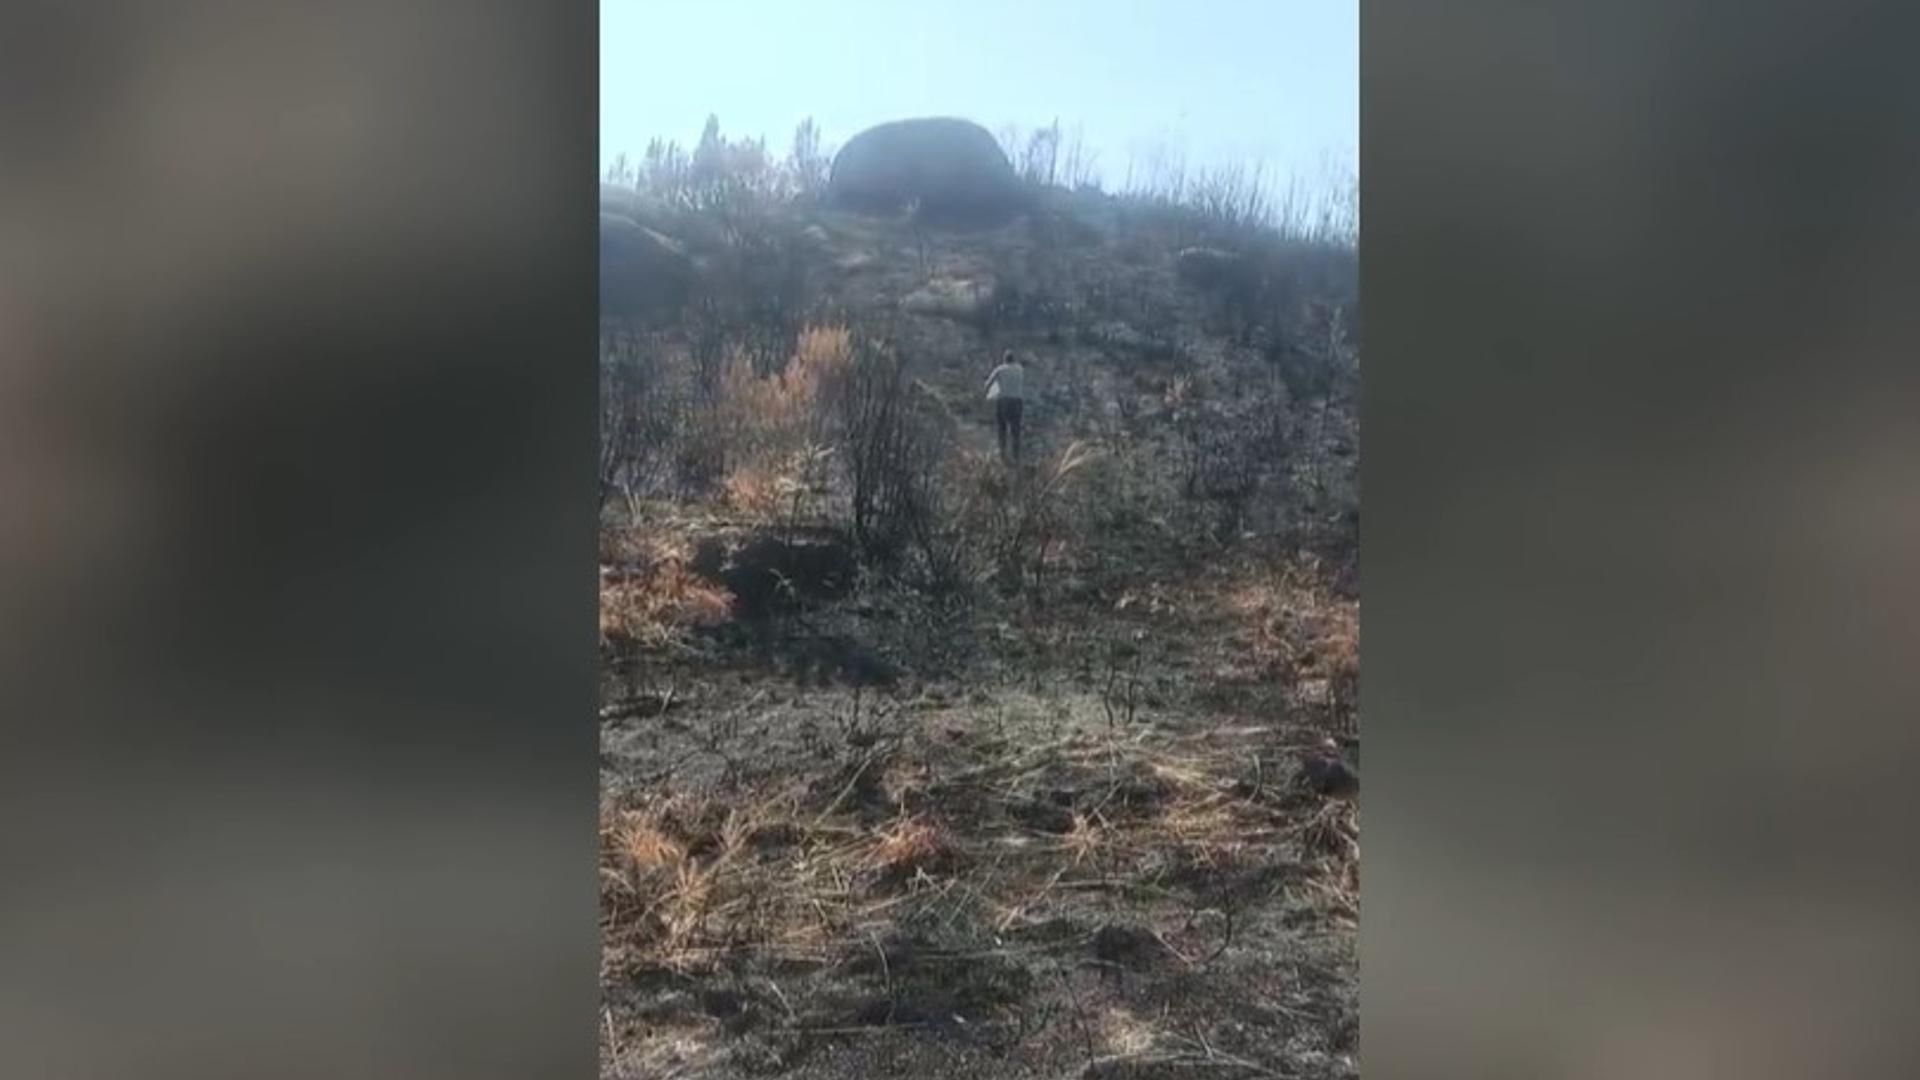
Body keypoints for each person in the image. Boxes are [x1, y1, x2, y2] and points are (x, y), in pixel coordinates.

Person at [984, 350, 1025, 462]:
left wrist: (989, 394)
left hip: (1003, 401)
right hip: (1017, 401)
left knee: (1002, 428)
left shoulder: (1000, 369)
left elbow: (988, 384)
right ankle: (1016, 456)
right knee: (1015, 430)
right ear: (1014, 359)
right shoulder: (1020, 369)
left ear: (1004, 359)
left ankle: (1003, 455)